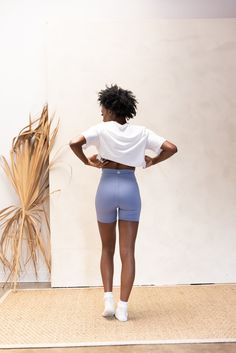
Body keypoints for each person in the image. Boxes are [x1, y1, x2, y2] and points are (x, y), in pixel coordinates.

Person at [69, 84, 177, 322]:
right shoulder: (141, 132)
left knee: (107, 248)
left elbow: (74, 142)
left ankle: (108, 300)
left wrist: (88, 162)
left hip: (106, 188)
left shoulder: (101, 129)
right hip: (130, 188)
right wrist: (151, 162)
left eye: (102, 110)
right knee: (128, 252)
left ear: (109, 109)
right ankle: (123, 307)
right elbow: (171, 148)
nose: (101, 114)